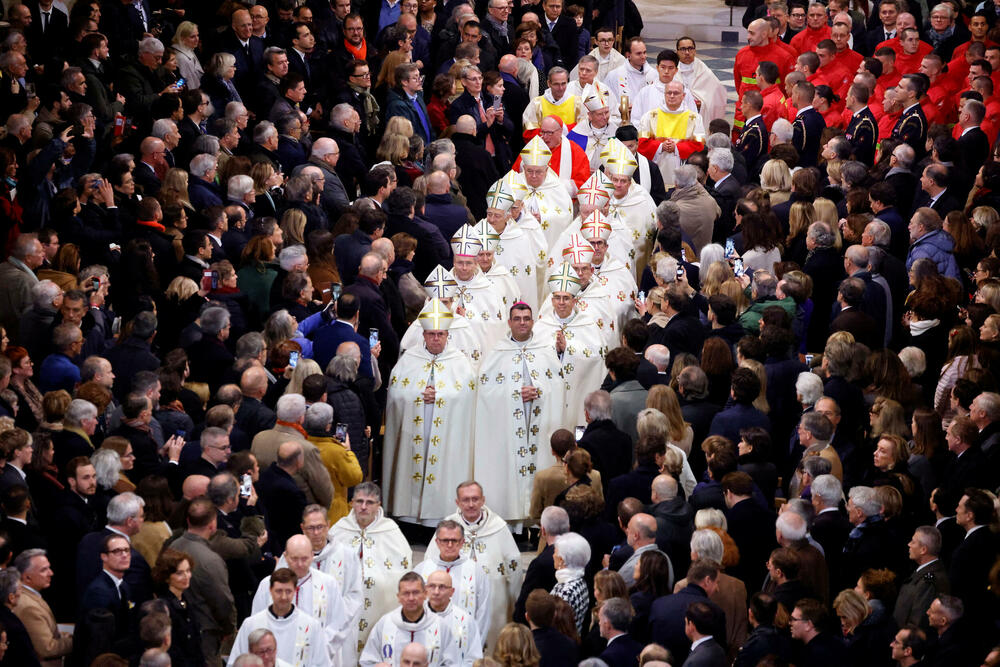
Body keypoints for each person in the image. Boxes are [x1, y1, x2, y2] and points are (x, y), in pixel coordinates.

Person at [474, 302, 565, 523]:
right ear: (510, 322)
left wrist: (539, 391)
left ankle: (536, 524)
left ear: (533, 322)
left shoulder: (545, 349)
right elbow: (485, 390)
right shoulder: (497, 352)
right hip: (508, 423)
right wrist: (515, 394)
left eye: (526, 319)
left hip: (539, 421)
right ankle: (512, 520)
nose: (522, 323)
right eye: (517, 319)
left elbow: (558, 384)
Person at [422, 481, 523, 650]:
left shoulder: (497, 527)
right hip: (453, 601)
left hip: (492, 602)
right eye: (465, 500)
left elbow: (514, 565)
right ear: (457, 503)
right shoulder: (448, 527)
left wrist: (515, 600)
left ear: (483, 500)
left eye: (475, 499)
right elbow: (429, 563)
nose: (470, 504)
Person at [328, 482, 413, 652]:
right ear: (351, 503)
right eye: (359, 501)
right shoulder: (339, 528)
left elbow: (402, 568)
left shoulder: (390, 530)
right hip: (345, 602)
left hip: (379, 604)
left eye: (369, 502)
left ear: (378, 505)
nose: (363, 507)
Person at [229, 568, 328, 667]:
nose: (284, 597)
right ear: (270, 590)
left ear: (295, 591)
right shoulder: (251, 624)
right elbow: (236, 662)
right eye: (279, 591)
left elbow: (323, 663)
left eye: (288, 591)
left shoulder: (311, 626)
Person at [360, 572, 459, 667]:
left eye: (416, 593)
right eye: (406, 593)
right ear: (398, 597)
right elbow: (367, 661)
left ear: (425, 594)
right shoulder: (385, 623)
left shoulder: (440, 626)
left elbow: (453, 663)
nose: (411, 598)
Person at [415, 520, 491, 642]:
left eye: (454, 540)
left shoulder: (476, 571)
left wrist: (476, 646)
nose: (449, 545)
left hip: (463, 641)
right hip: (426, 641)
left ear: (462, 542)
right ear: (437, 542)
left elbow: (483, 612)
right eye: (445, 540)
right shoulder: (421, 569)